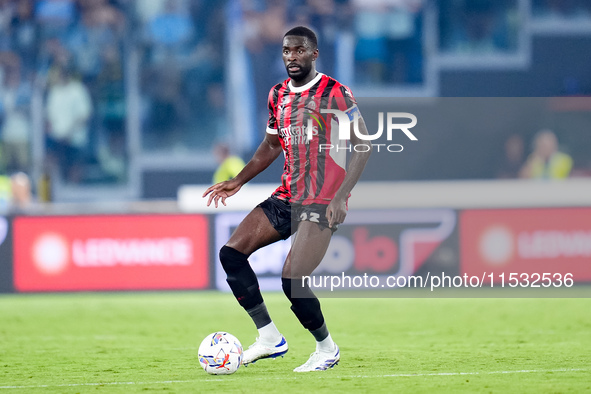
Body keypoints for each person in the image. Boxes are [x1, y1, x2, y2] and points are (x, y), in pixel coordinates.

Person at [203, 26, 371, 372]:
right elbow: (270, 145)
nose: (291, 57)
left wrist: (341, 197)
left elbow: (363, 144)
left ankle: (327, 348)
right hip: (287, 196)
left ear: (314, 54)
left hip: (322, 201)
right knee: (231, 254)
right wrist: (238, 180)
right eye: (286, 51)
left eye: (298, 50)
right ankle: (269, 338)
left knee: (292, 278)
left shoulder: (335, 93)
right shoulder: (277, 95)